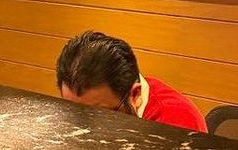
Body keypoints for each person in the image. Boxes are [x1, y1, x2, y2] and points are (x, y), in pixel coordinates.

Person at [56, 31, 208, 133]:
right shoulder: (105, 101)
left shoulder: (176, 126)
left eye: (99, 115)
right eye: (74, 111)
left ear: (135, 95)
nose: (84, 128)